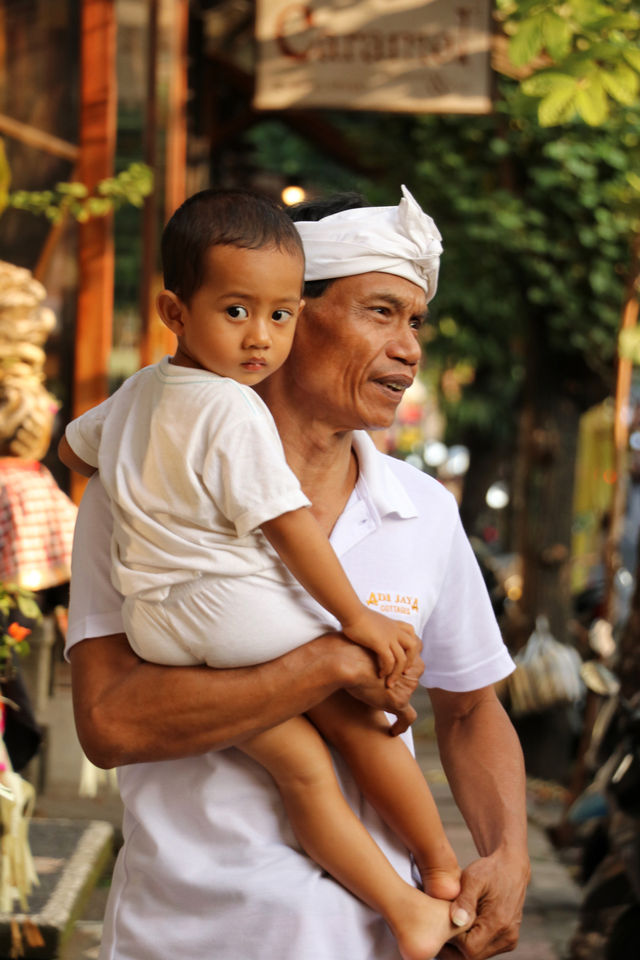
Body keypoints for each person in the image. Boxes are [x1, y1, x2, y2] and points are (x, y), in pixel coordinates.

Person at [66, 185, 530, 960]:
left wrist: (509, 854)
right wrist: (323, 665)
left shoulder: (424, 509)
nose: (410, 349)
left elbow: (472, 709)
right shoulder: (140, 488)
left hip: (376, 943)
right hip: (186, 940)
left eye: (416, 321)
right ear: (292, 315)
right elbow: (110, 724)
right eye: (380, 311)